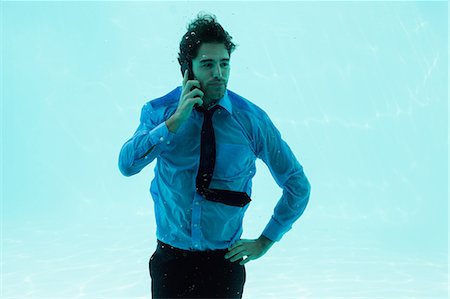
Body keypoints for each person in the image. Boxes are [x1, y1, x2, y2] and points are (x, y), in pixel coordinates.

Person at [118, 13, 311, 299]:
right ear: (187, 69)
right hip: (171, 260)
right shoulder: (160, 112)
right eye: (207, 64)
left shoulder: (251, 121)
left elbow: (297, 185)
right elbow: (127, 165)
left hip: (224, 263)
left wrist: (265, 241)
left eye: (224, 63)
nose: (218, 73)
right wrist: (176, 121)